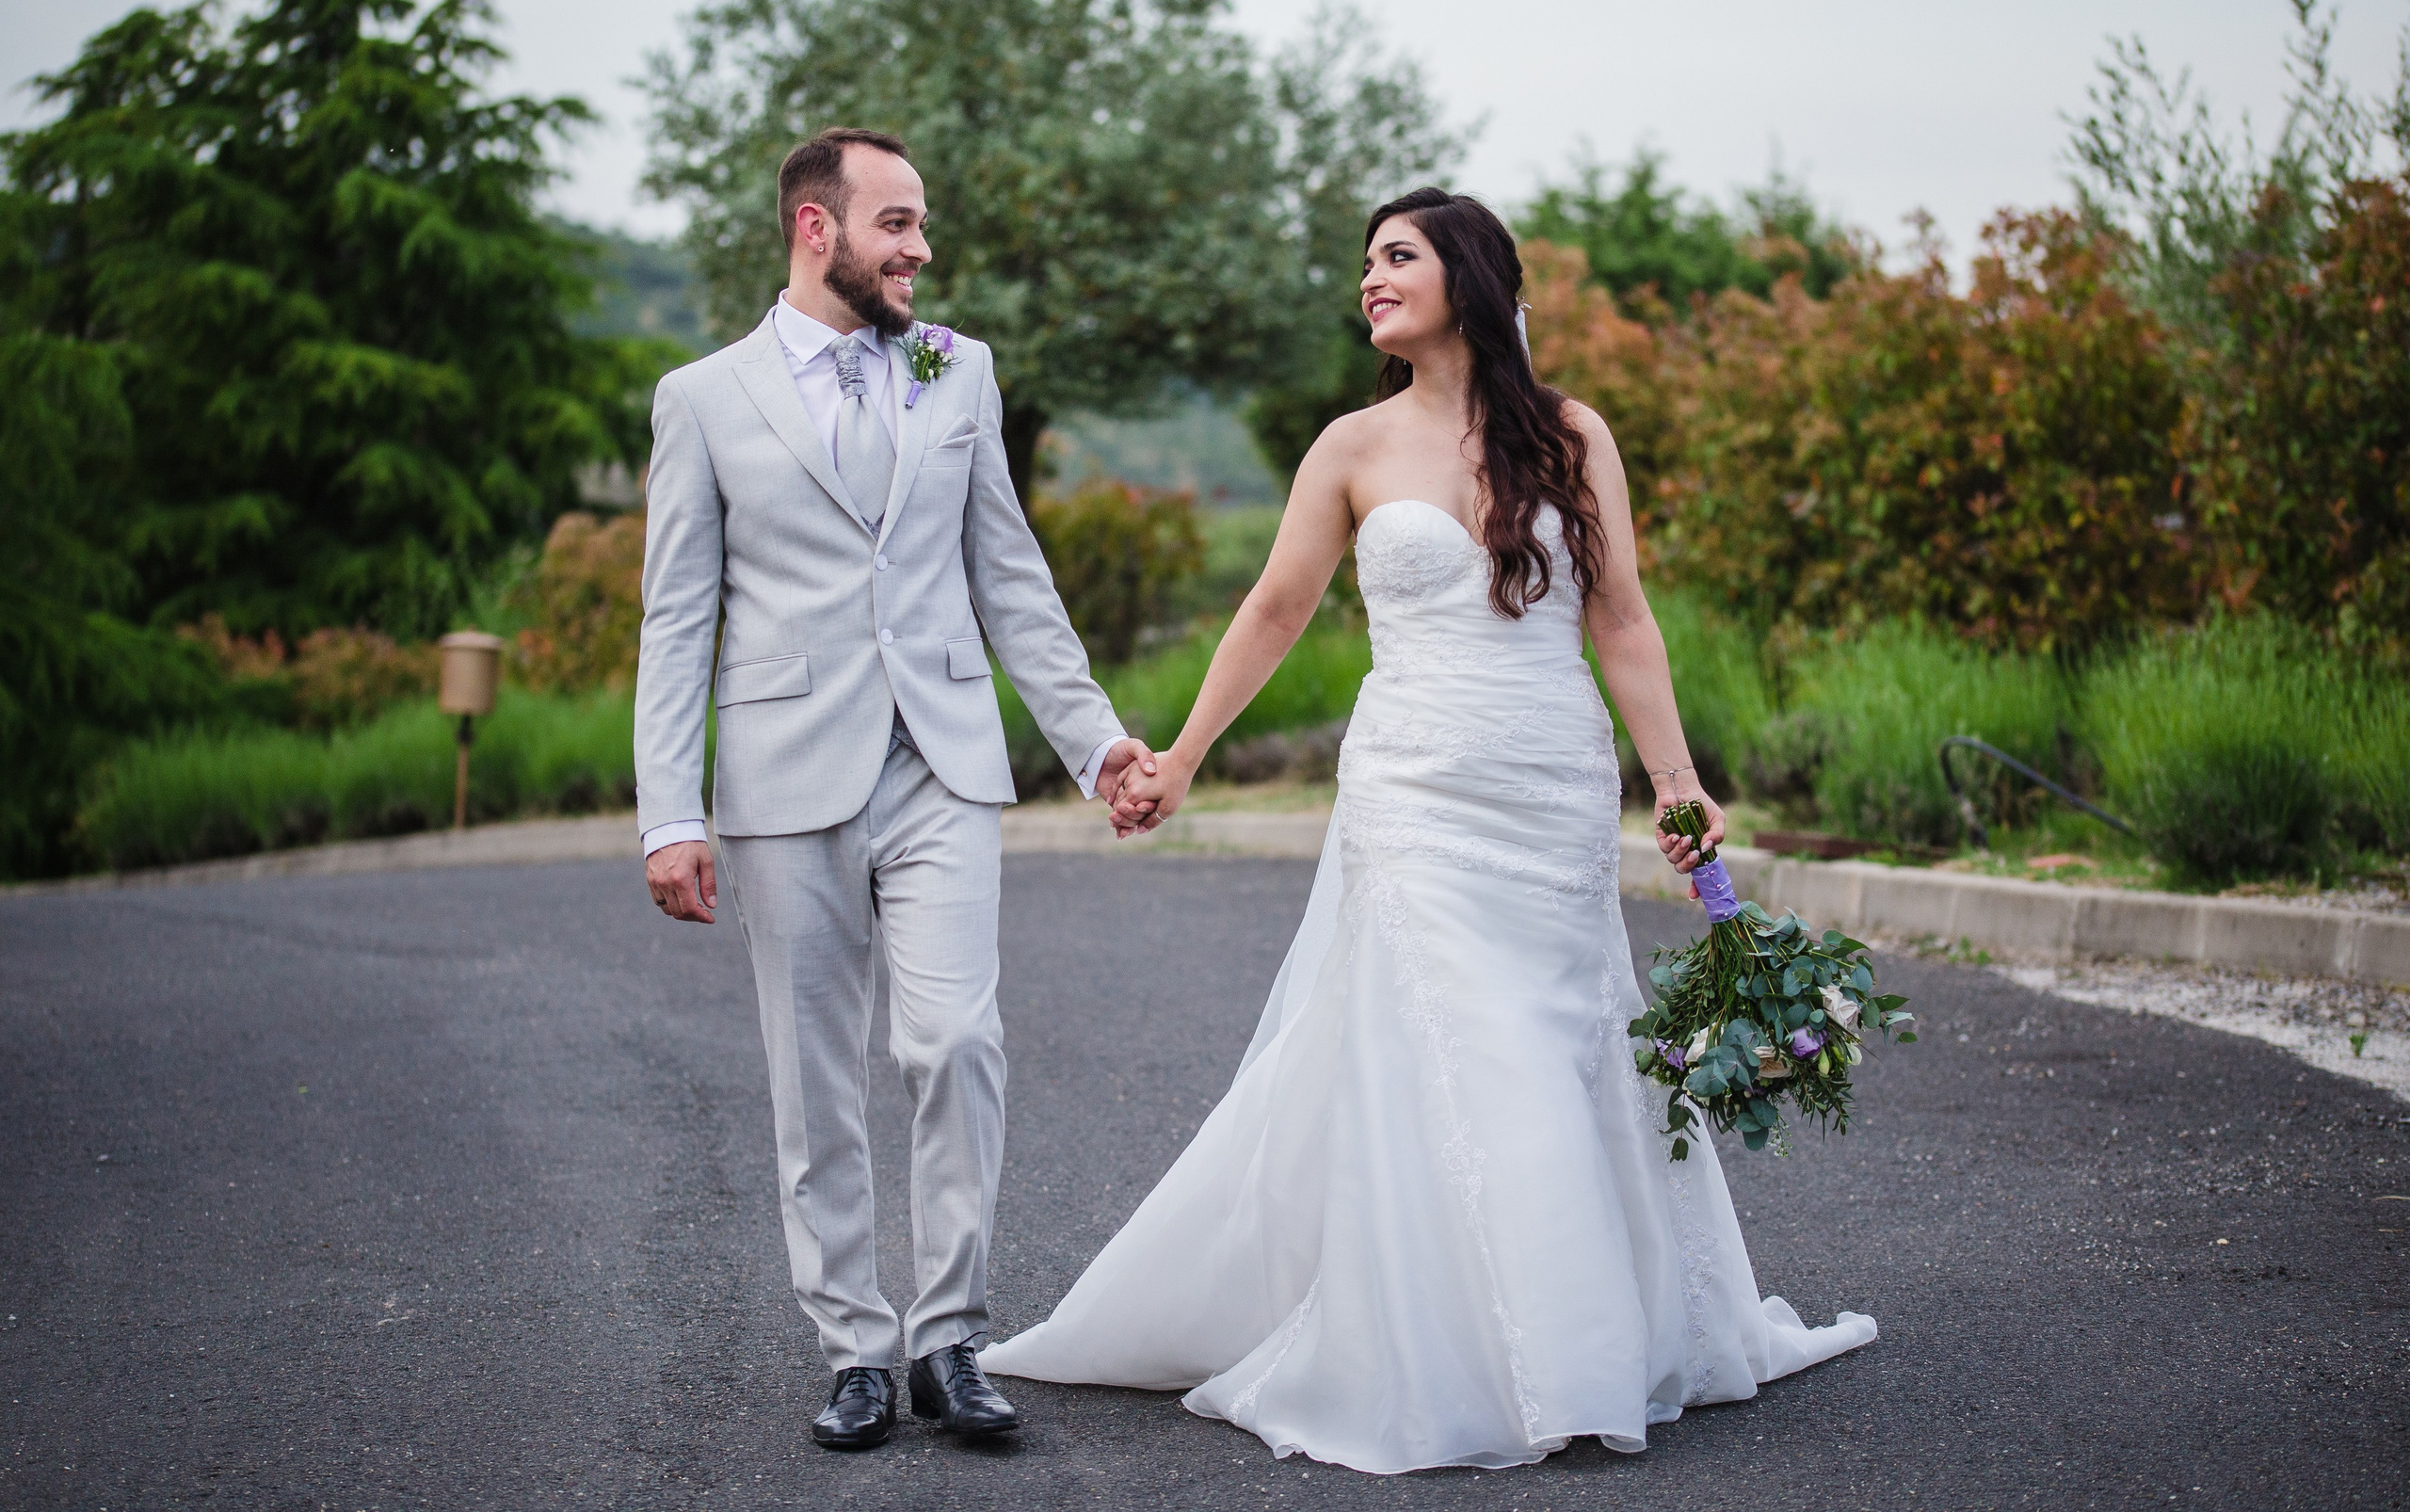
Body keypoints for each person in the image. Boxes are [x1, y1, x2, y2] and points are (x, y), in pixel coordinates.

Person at [983, 188, 1875, 1473]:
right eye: (1365, 262)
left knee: (1559, 1033)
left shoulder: (1573, 434)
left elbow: (1620, 617)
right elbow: (1277, 607)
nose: (1370, 279)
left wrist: (1674, 779)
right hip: (1409, 784)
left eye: (1396, 257)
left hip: (1550, 782)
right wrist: (1178, 756)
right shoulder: (1349, 445)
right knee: (1468, 1045)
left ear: (1468, 274)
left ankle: (1586, 1333)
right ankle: (1502, 1355)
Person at [634, 127, 1157, 1452]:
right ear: (819, 228)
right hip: (780, 778)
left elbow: (1011, 575)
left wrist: (1093, 743)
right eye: (899, 224)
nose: (921, 250)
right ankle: (855, 1347)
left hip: (943, 760)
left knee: (954, 1042)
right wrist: (670, 811)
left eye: (920, 227)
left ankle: (952, 1334)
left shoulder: (957, 369)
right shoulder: (705, 398)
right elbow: (675, 618)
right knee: (814, 1079)